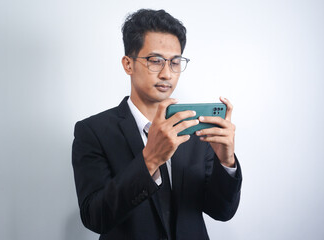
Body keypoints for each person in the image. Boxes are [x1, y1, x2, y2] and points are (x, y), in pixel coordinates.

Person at [72, 9, 242, 240]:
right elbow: (95, 217)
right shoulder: (93, 132)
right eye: (155, 61)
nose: (167, 74)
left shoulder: (194, 129)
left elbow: (221, 211)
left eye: (175, 62)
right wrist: (150, 159)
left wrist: (226, 161)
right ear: (128, 64)